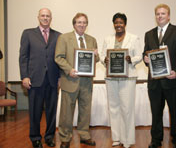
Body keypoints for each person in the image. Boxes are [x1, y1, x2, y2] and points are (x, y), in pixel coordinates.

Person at [143, 4, 176, 148]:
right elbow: (146, 53)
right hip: (155, 83)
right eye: (157, 14)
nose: (160, 16)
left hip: (173, 80)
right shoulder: (149, 34)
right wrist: (145, 58)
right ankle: (156, 140)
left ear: (168, 16)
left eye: (163, 13)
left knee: (175, 113)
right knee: (156, 113)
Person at [55, 13, 99, 148]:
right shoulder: (64, 38)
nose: (82, 25)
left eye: (84, 22)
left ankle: (84, 135)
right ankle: (65, 138)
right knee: (66, 112)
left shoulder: (92, 39)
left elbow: (94, 60)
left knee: (85, 110)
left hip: (86, 82)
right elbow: (58, 57)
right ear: (74, 24)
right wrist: (69, 69)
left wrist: (96, 56)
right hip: (70, 80)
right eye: (79, 22)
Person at [19, 8, 60, 148]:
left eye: (48, 16)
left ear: (51, 18)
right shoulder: (28, 33)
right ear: (38, 17)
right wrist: (24, 76)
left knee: (51, 111)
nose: (45, 18)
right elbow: (23, 57)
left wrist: (60, 77)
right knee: (35, 111)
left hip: (53, 80)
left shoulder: (58, 35)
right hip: (35, 79)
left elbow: (60, 58)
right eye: (43, 15)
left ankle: (49, 137)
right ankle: (35, 137)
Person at [100, 13, 142, 148]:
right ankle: (116, 138)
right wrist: (104, 60)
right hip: (111, 77)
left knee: (127, 108)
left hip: (128, 77)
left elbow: (139, 55)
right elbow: (102, 55)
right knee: (113, 108)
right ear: (113, 24)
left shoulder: (134, 38)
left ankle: (128, 139)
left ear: (125, 24)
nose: (118, 25)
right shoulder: (108, 39)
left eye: (121, 22)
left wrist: (132, 59)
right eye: (116, 22)